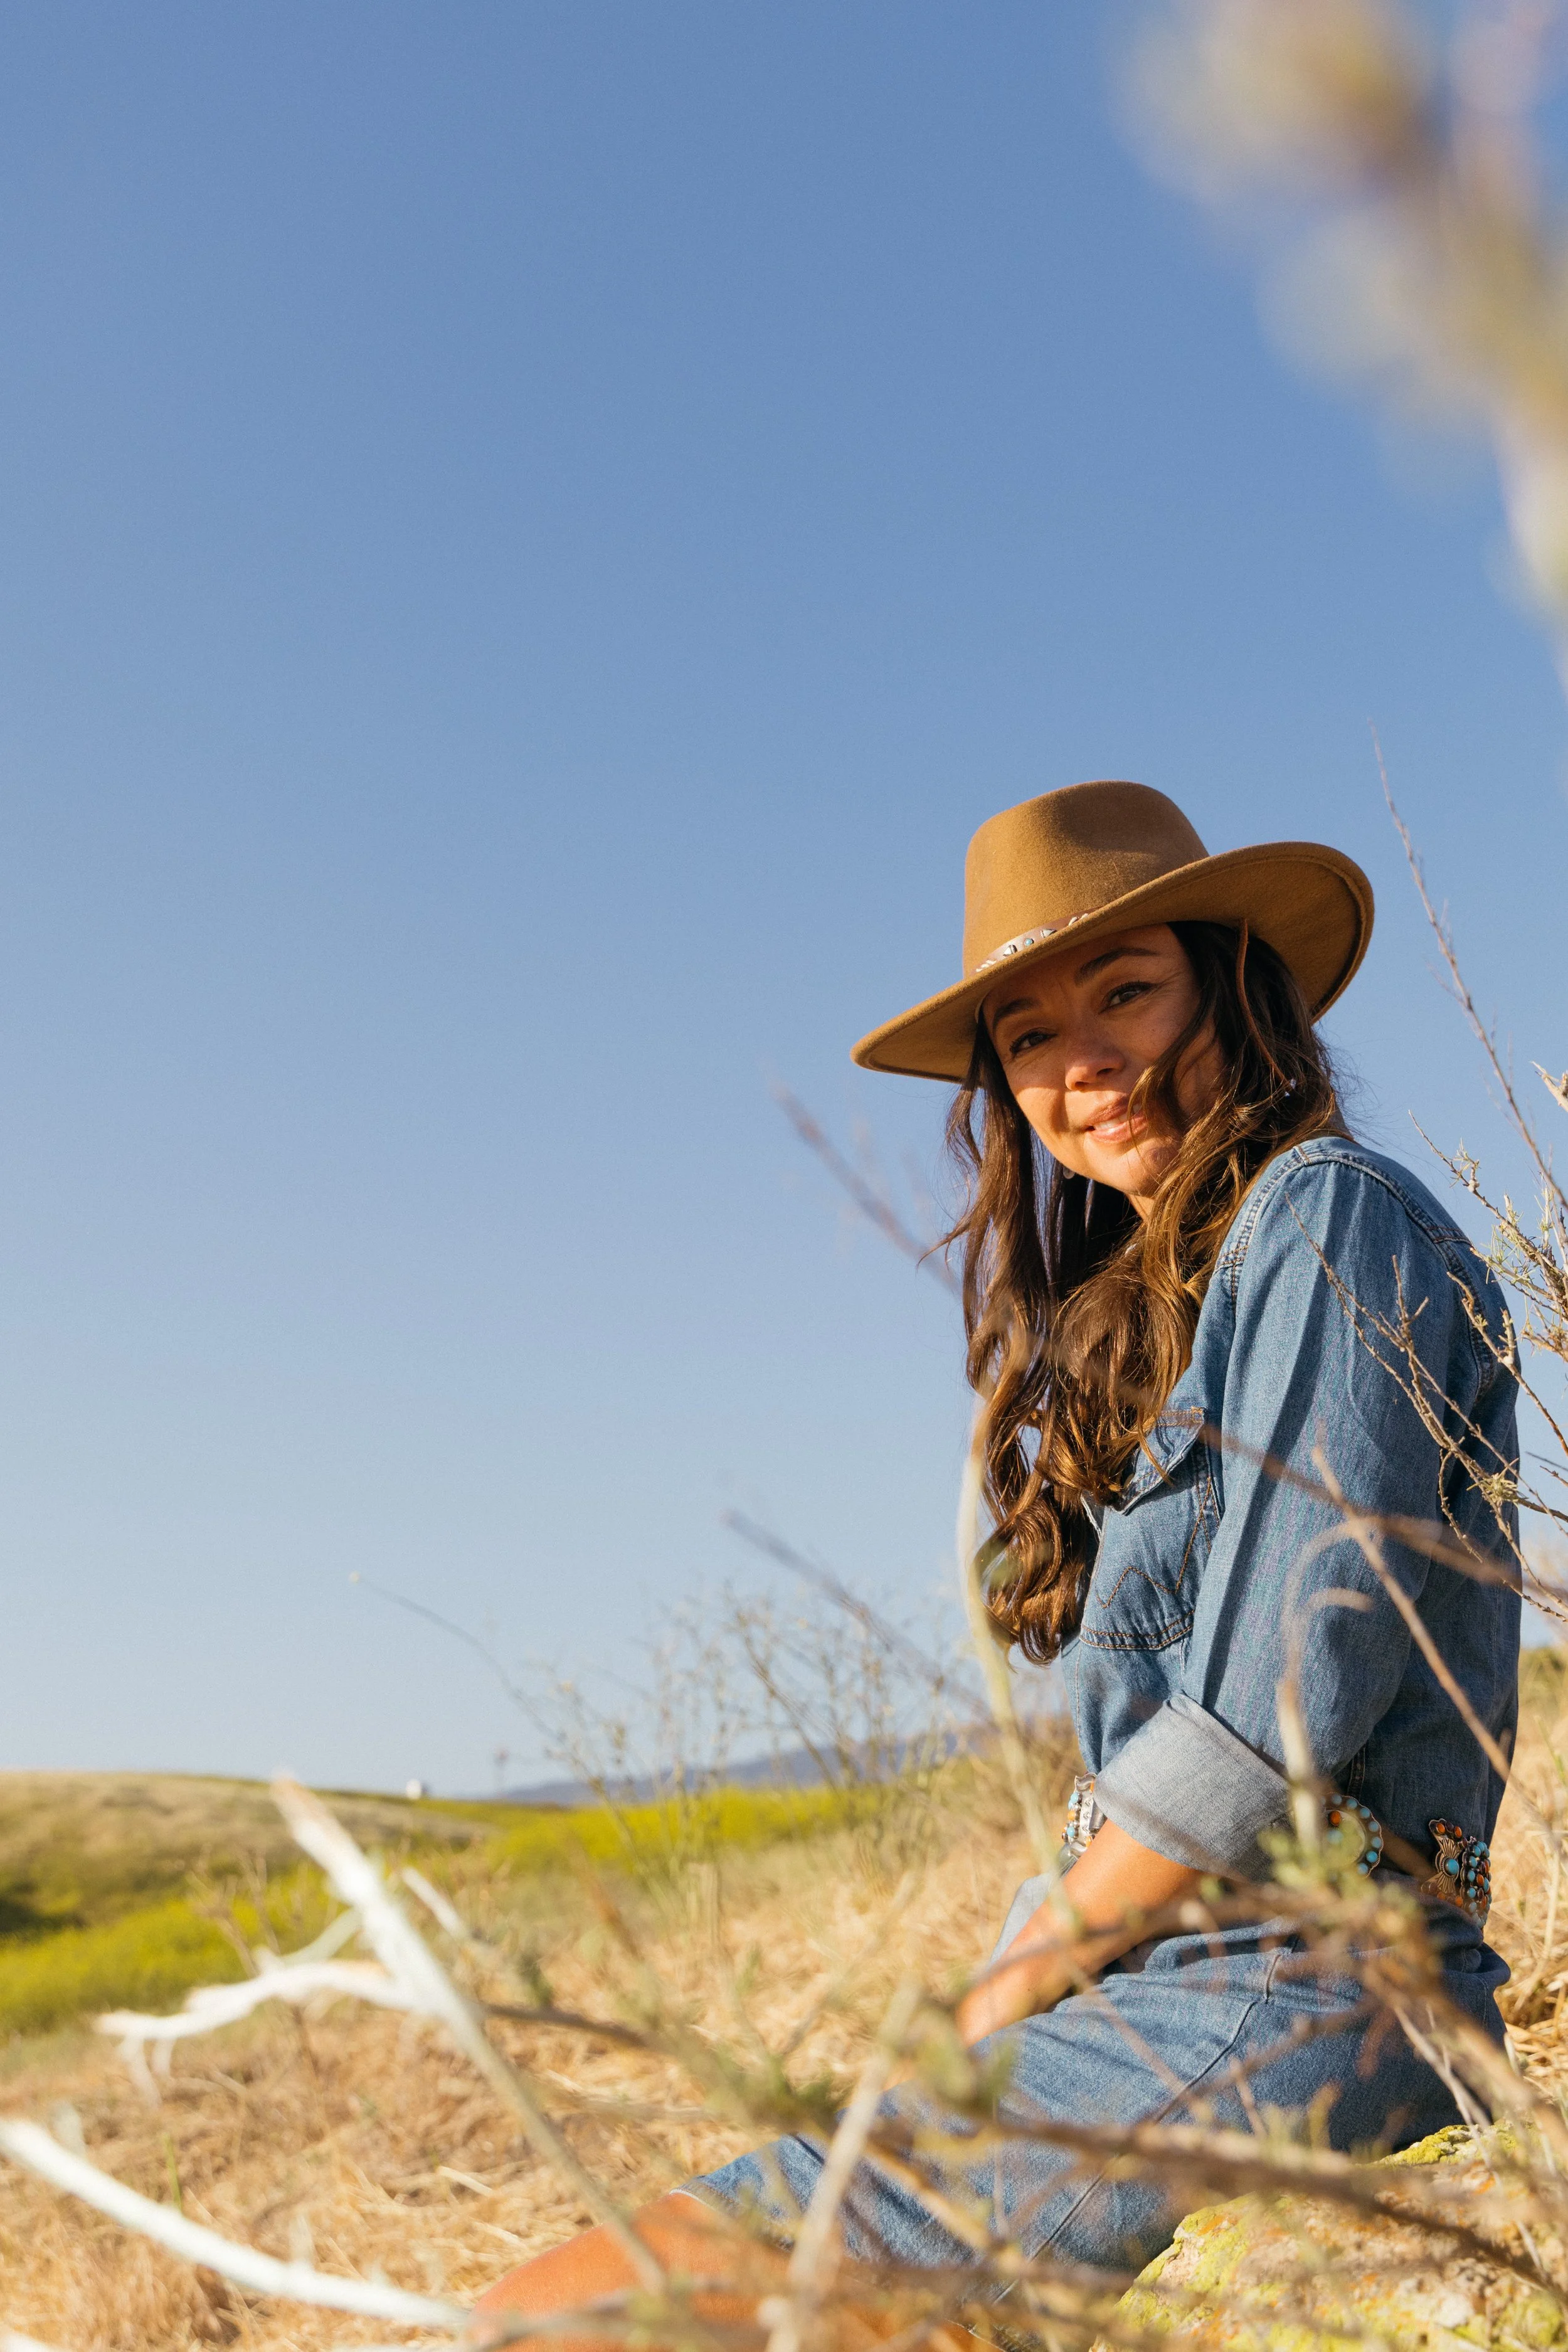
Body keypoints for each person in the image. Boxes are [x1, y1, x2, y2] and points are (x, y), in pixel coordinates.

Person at [475, 780, 1520, 2339]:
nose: (1080, 1059)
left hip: (1318, 1987)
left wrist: (989, 2001)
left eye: (1123, 991)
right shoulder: (1160, 1312)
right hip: (1178, 1991)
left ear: (1232, 986)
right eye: (1028, 1035)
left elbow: (1263, 1725)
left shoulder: (1328, 1223)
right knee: (589, 2282)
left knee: (590, 2309)